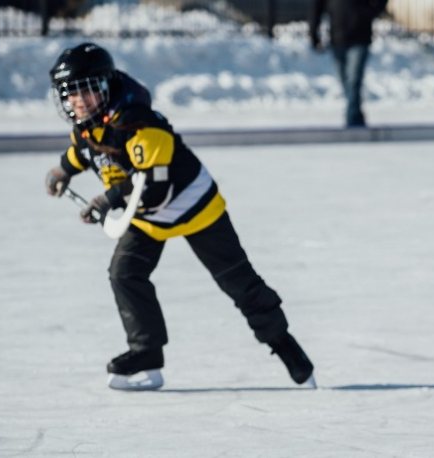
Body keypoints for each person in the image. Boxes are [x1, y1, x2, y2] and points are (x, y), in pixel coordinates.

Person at [43, 43, 314, 391]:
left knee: (240, 284)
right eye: (69, 94)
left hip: (193, 207)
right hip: (147, 217)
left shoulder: (140, 123)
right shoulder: (90, 124)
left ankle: (287, 349)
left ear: (105, 86)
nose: (77, 102)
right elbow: (85, 151)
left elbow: (152, 184)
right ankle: (146, 354)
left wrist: (105, 200)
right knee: (124, 274)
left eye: (85, 90)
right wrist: (62, 170)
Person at [310, 0, 389, 128]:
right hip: (337, 38)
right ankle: (356, 114)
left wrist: (368, 13)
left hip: (360, 38)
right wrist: (313, 32)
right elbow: (317, 6)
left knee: (354, 81)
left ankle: (353, 121)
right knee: (345, 81)